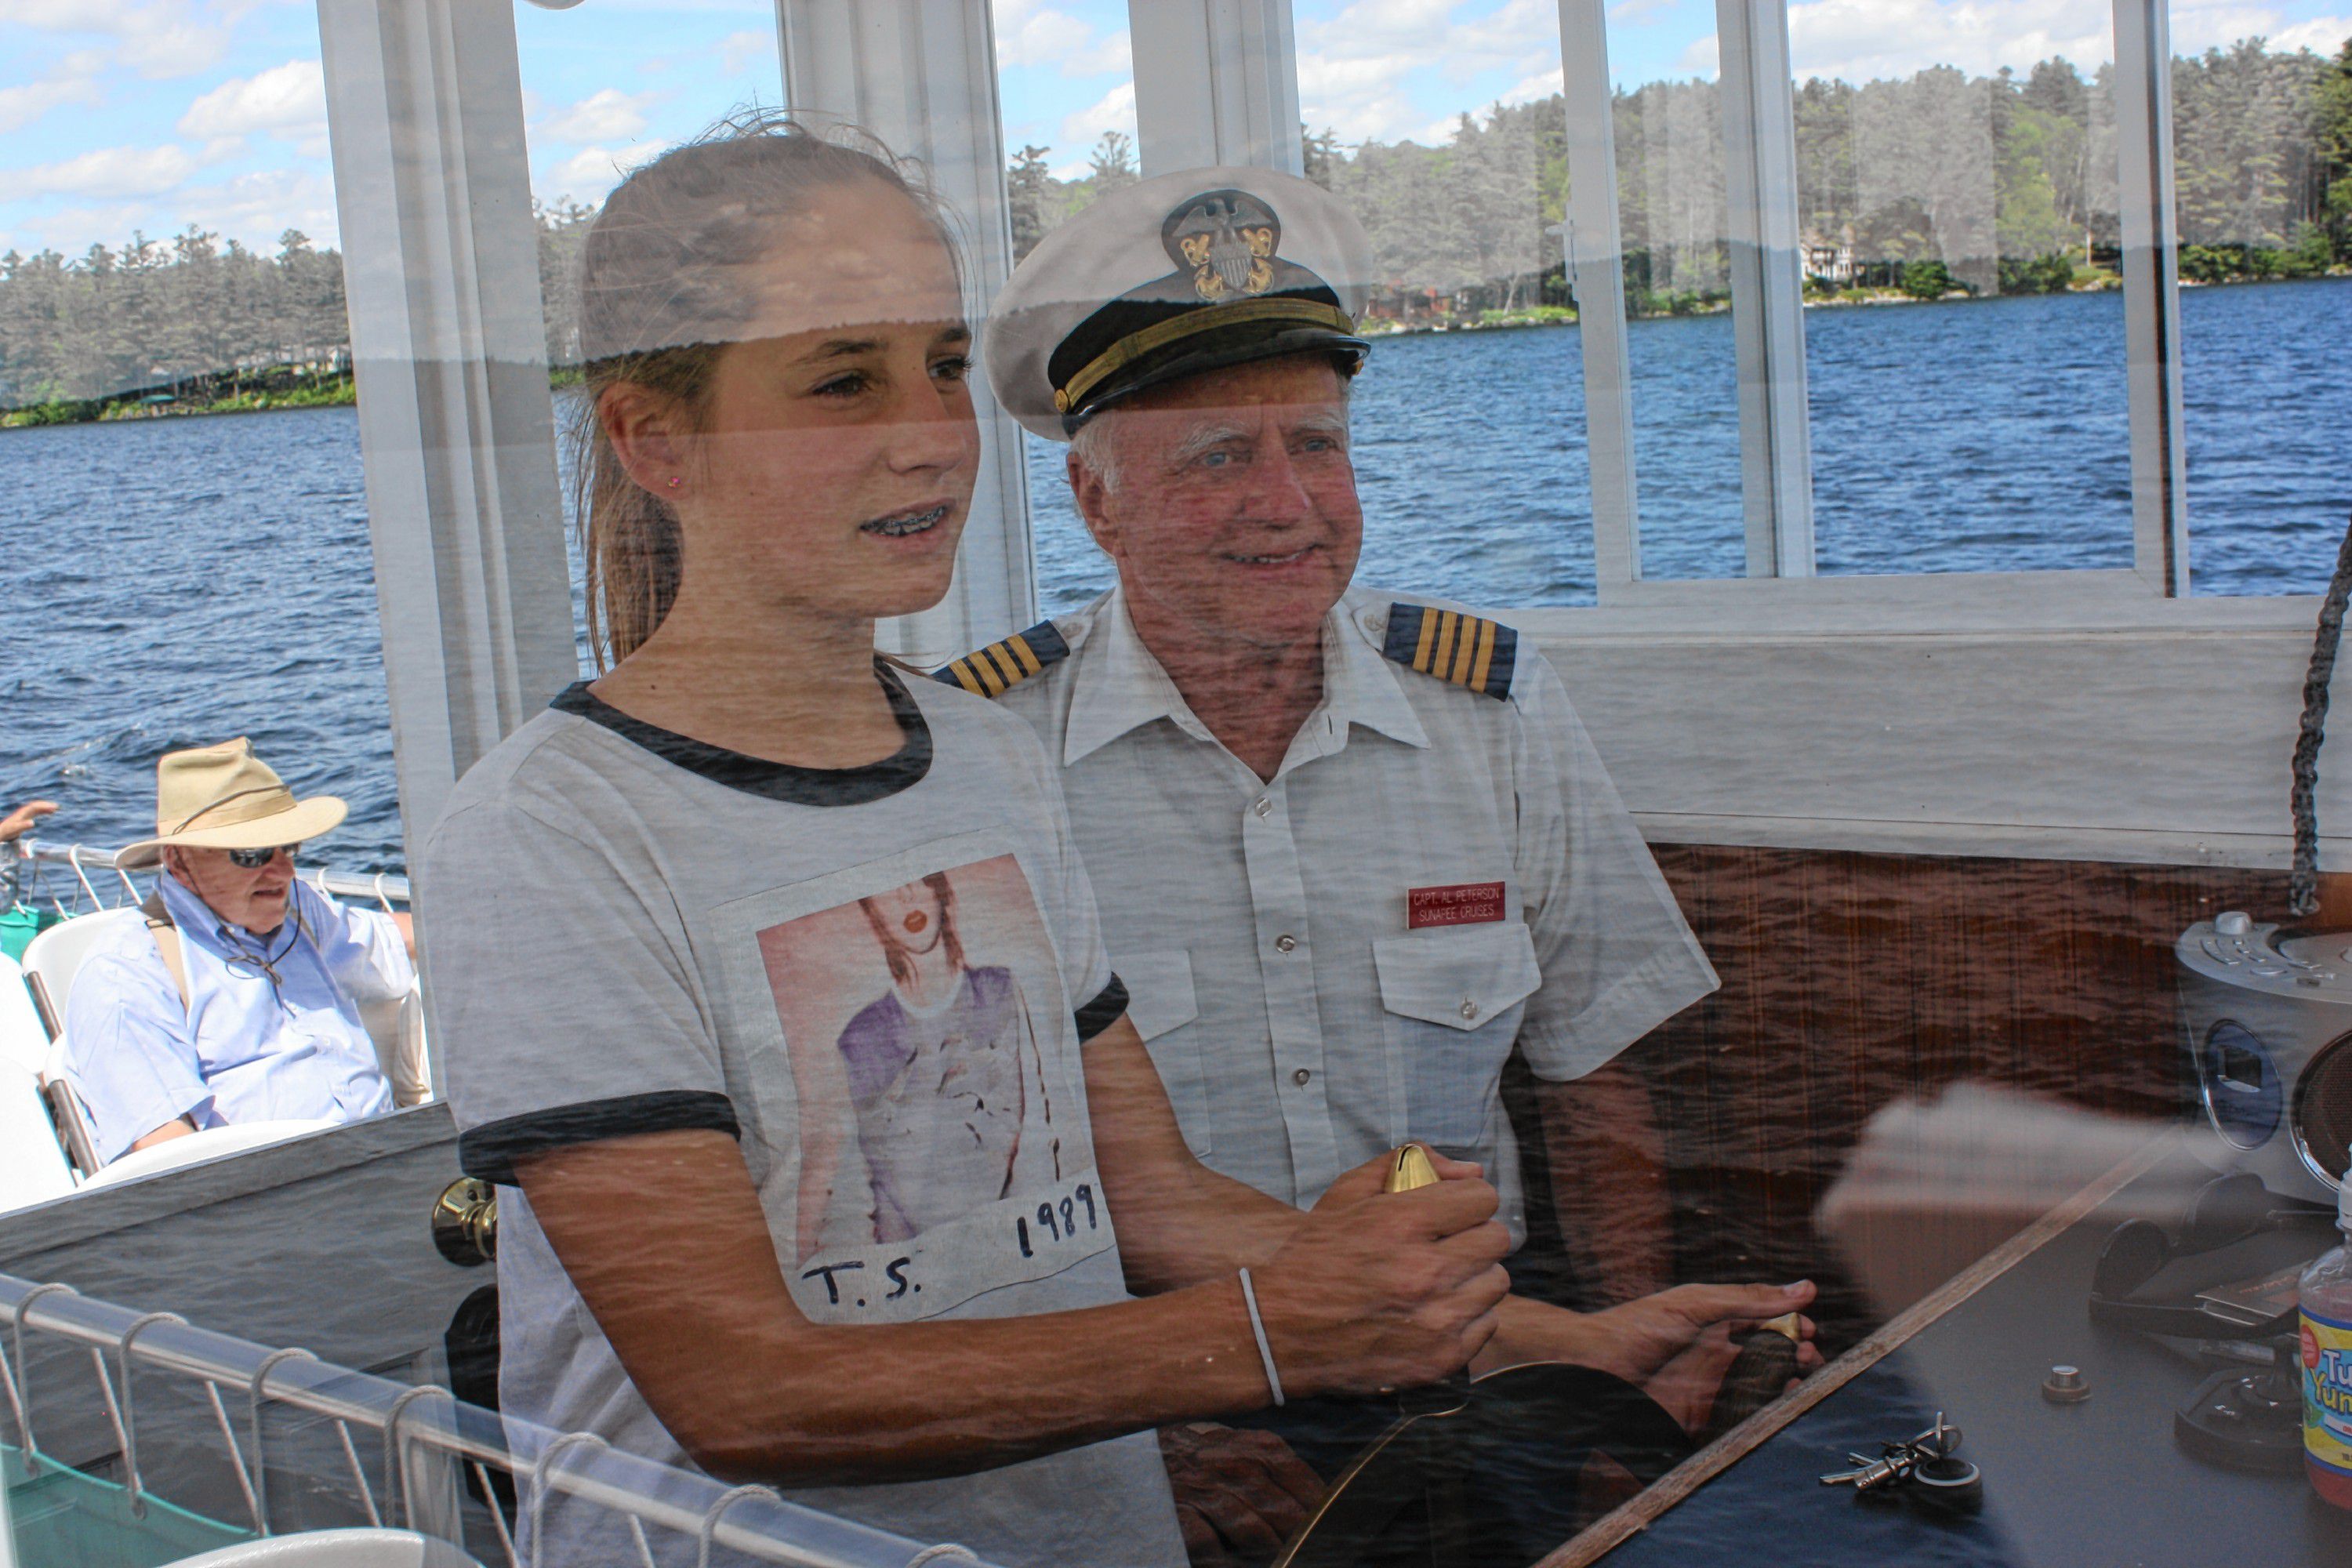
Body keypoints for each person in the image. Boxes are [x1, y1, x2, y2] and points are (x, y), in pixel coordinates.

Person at [415, 114, 1511, 1568]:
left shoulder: (985, 752)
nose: (931, 432)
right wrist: (1272, 1335)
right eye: (841, 379)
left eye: (940, 365)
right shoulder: (555, 829)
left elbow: (1157, 1204)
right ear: (654, 437)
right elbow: (750, 1393)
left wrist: (1564, 1334)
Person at [956, 167, 1816, 1552]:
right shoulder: (983, 755)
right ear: (1095, 502)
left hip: (1480, 1368)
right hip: (1154, 1398)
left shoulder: (1490, 711)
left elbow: (1596, 1088)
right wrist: (1139, 1440)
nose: (1291, 504)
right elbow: (964, 1188)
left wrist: (1604, 1386)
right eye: (1219, 457)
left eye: (1320, 444)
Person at [61, 739, 416, 1163]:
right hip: (279, 1199)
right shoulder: (125, 974)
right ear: (179, 861)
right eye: (253, 854)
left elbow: (396, 940)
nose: (283, 870)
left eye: (289, 848)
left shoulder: (299, 908)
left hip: (394, 1157)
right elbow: (166, 1158)